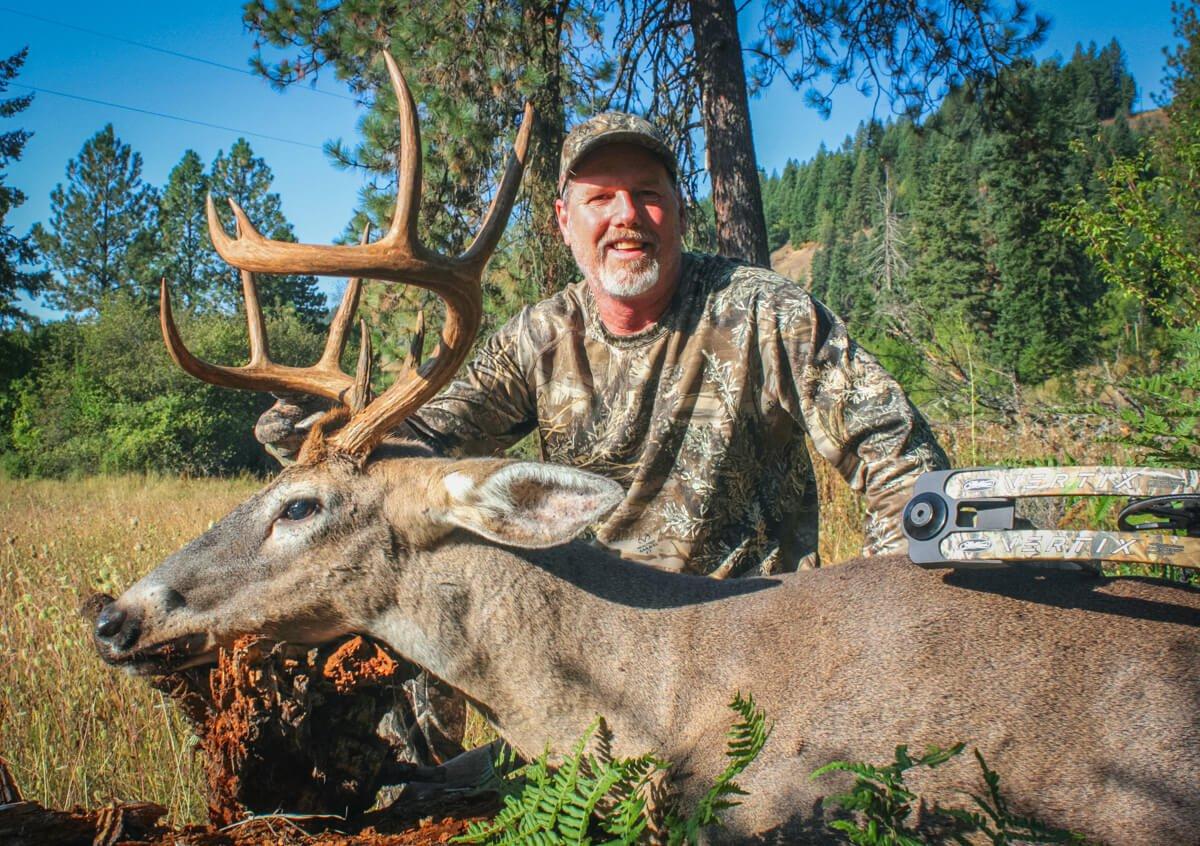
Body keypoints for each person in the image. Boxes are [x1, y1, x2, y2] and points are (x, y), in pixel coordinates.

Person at [256, 110, 948, 787]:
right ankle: (380, 782)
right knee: (406, 549)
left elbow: (898, 457)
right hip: (591, 656)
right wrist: (333, 435)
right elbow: (424, 444)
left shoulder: (763, 311)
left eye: (648, 195)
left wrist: (894, 626)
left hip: (751, 659)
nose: (627, 216)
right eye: (600, 199)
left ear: (679, 211)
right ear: (565, 222)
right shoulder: (538, 338)